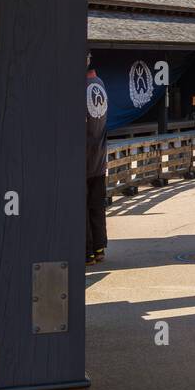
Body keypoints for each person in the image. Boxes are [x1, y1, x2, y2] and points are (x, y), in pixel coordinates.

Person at [85, 58, 109, 267]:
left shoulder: (81, 87)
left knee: (81, 207)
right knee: (96, 205)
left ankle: (87, 251)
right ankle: (99, 248)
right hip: (99, 157)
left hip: (82, 159)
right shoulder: (100, 84)